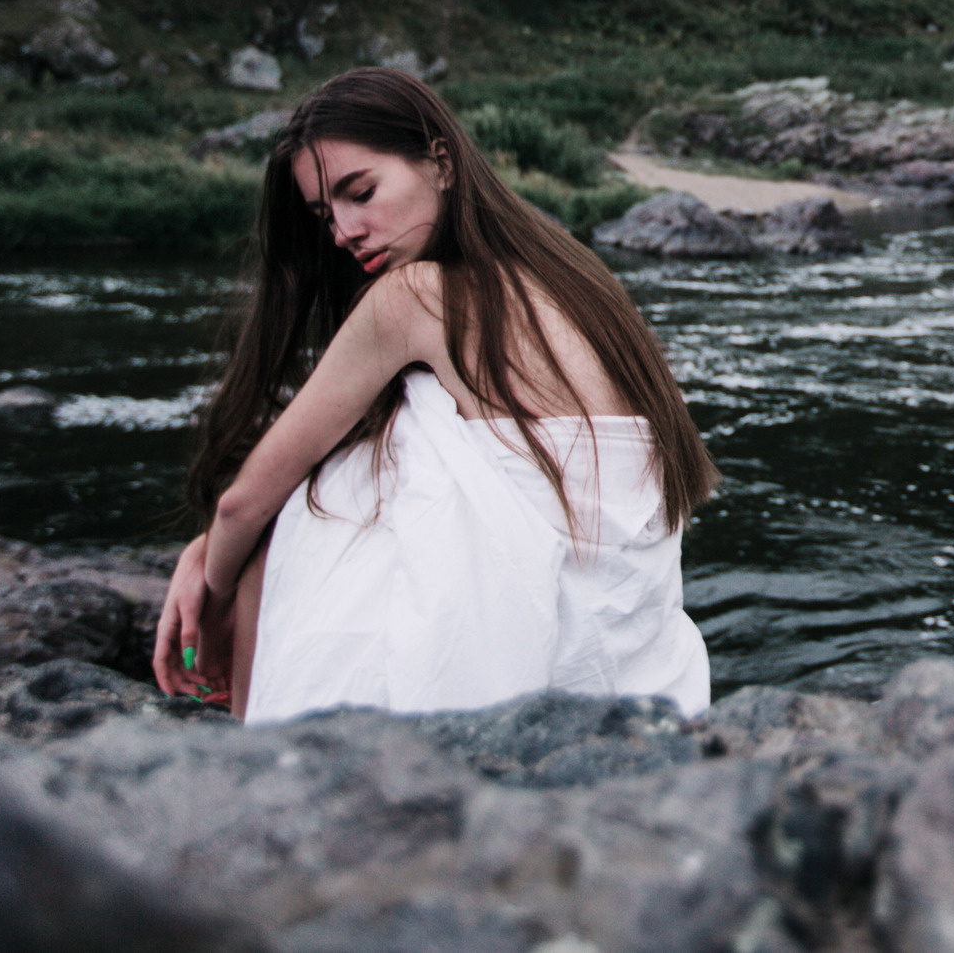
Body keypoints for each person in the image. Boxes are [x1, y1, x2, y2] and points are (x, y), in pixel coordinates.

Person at [151, 67, 718, 723]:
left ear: (441, 163)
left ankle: (248, 742)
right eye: (324, 215)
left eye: (360, 193)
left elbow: (241, 504)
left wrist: (211, 594)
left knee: (289, 509)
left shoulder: (415, 295)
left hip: (545, 646)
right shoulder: (571, 275)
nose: (343, 231)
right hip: (632, 651)